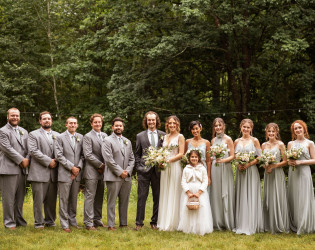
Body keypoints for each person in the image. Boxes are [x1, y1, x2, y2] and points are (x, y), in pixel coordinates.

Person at [28, 111, 60, 229]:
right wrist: (49, 161)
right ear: (40, 121)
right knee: (38, 200)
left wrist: (56, 161)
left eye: (49, 119)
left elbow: (61, 151)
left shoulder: (58, 135)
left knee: (51, 200)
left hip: (54, 173)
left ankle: (50, 221)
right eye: (44, 119)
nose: (47, 120)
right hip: (38, 172)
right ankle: (38, 223)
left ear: (51, 120)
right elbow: (33, 151)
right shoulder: (33, 134)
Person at [102, 117, 135, 231]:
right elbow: (108, 159)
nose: (118, 127)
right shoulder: (107, 140)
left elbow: (132, 158)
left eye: (120, 126)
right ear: (112, 127)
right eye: (116, 125)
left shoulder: (128, 141)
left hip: (126, 177)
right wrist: (120, 172)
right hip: (113, 176)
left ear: (123, 127)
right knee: (111, 201)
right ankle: (111, 225)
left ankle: (123, 223)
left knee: (124, 201)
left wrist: (128, 171)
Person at [135, 111, 165, 230]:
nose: (151, 122)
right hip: (144, 171)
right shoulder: (140, 136)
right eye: (149, 120)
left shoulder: (163, 135)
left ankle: (155, 222)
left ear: (156, 121)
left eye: (153, 120)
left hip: (158, 171)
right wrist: (139, 167)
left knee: (157, 197)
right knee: (142, 197)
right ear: (146, 121)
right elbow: (137, 154)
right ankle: (139, 223)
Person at [0, 108, 29, 229]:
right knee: (8, 198)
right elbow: (7, 149)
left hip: (22, 169)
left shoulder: (24, 131)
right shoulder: (2, 131)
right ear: (7, 117)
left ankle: (19, 220)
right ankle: (9, 222)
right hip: (8, 169)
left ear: (19, 117)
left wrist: (27, 159)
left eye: (17, 116)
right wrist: (21, 160)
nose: (15, 118)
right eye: (12, 115)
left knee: (20, 197)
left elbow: (29, 148)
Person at [233, 118, 263, 235]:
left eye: (248, 127)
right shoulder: (236, 141)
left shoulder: (255, 140)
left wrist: (249, 163)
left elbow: (260, 156)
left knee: (251, 194)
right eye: (244, 127)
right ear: (241, 127)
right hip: (241, 171)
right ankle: (241, 223)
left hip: (251, 171)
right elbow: (234, 156)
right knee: (241, 194)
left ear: (251, 129)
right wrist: (239, 164)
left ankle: (251, 223)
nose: (246, 129)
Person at [55, 117, 84, 233]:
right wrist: (71, 167)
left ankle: (73, 221)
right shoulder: (60, 137)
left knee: (73, 199)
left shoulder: (81, 137)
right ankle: (64, 223)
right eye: (70, 123)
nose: (72, 125)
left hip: (77, 173)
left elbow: (83, 155)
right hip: (65, 173)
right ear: (66, 125)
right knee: (64, 199)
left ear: (77, 125)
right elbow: (59, 155)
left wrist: (78, 168)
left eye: (74, 123)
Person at [287, 120, 315, 234]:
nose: (298, 130)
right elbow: (288, 159)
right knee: (294, 196)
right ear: (293, 131)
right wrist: (291, 162)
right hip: (293, 172)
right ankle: (295, 223)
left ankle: (304, 225)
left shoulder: (310, 143)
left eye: (299, 128)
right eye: (295, 129)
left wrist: (300, 162)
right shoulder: (290, 144)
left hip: (304, 172)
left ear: (304, 129)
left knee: (304, 197)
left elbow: (314, 160)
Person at [157, 115, 185, 231]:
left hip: (175, 166)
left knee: (174, 191)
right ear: (167, 125)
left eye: (174, 123)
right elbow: (162, 151)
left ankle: (174, 222)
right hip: (165, 167)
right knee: (165, 191)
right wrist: (160, 160)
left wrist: (169, 160)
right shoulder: (164, 136)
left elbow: (181, 153)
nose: (172, 125)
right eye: (170, 123)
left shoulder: (180, 137)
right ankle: (164, 221)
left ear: (177, 124)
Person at [262, 123, 289, 234]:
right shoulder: (263, 145)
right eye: (269, 131)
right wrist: (266, 166)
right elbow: (262, 160)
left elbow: (285, 161)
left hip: (277, 173)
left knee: (277, 196)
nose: (271, 133)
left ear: (277, 132)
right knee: (268, 196)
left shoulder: (281, 144)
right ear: (266, 132)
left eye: (273, 131)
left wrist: (274, 166)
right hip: (268, 173)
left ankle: (279, 223)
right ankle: (268, 224)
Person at [178, 150, 213, 235]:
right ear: (189, 158)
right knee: (188, 209)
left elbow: (205, 181)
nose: (194, 158)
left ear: (199, 158)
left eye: (196, 157)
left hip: (199, 191)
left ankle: (199, 227)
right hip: (189, 191)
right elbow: (183, 181)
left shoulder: (202, 168)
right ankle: (189, 227)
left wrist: (199, 192)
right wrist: (188, 192)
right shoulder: (186, 168)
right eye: (192, 157)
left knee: (201, 208)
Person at [83, 113, 108, 230]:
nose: (98, 124)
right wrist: (100, 165)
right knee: (90, 196)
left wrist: (106, 166)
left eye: (99, 122)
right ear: (91, 123)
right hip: (92, 170)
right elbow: (87, 154)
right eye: (95, 122)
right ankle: (88, 222)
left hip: (103, 172)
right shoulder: (87, 136)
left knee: (99, 195)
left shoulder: (105, 135)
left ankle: (97, 219)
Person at [209, 118, 235, 231]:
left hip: (225, 167)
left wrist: (223, 160)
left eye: (220, 125)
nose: (218, 128)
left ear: (224, 126)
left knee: (226, 193)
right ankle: (217, 221)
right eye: (216, 126)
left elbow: (233, 156)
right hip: (215, 168)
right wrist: (212, 158)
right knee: (216, 193)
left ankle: (227, 221)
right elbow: (211, 155)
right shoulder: (213, 140)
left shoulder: (228, 139)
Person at [185, 121, 211, 185]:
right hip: (190, 169)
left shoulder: (206, 142)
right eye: (193, 129)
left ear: (200, 128)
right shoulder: (187, 142)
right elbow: (184, 157)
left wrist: (209, 177)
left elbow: (208, 160)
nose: (195, 131)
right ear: (191, 130)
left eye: (197, 128)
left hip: (202, 169)